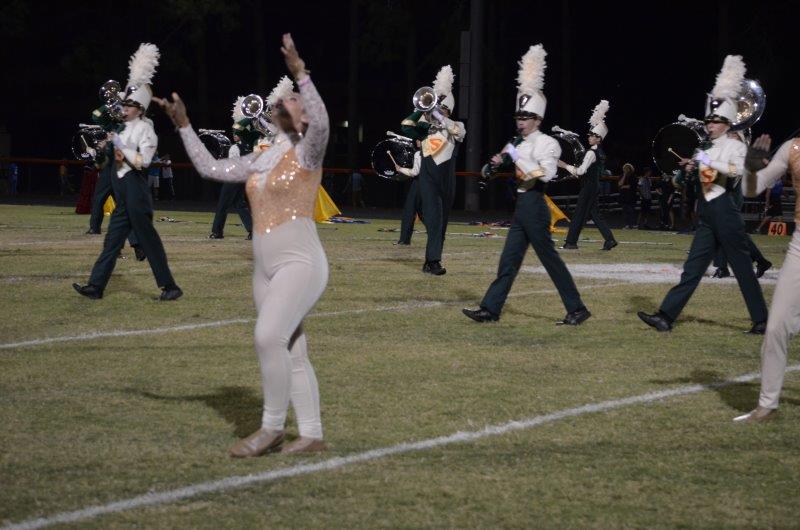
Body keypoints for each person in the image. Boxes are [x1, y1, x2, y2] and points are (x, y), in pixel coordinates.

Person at [156, 34, 329, 455]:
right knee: (291, 348)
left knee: (268, 336)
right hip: (264, 268)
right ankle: (312, 434)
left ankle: (271, 429)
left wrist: (301, 75)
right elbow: (210, 168)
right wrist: (184, 126)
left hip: (300, 262)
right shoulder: (262, 156)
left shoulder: (309, 150)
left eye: (293, 100)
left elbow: (322, 121)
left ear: (304, 115)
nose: (285, 100)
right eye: (283, 98)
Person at [638, 55, 767, 333]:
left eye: (716, 121)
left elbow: (734, 174)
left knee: (743, 269)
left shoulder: (735, 147)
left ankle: (762, 320)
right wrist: (686, 171)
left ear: (727, 122)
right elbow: (692, 182)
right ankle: (665, 316)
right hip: (707, 214)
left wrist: (705, 162)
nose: (710, 125)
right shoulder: (704, 149)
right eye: (709, 120)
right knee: (693, 268)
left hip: (726, 212)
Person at [462, 44, 590, 326]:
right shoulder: (516, 143)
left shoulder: (548, 143)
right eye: (518, 117)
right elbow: (489, 170)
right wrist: (493, 165)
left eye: (526, 118)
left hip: (535, 205)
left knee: (550, 261)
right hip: (522, 207)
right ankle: (490, 309)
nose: (520, 122)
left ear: (538, 119)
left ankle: (577, 308)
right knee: (508, 261)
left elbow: (544, 175)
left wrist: (517, 157)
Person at [73, 43, 182, 301]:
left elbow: (144, 162)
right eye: (125, 105)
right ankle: (96, 286)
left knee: (150, 244)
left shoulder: (147, 129)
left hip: (137, 193)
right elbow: (107, 153)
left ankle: (170, 287)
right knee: (111, 242)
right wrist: (101, 150)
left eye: (130, 105)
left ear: (140, 109)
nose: (124, 108)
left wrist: (120, 146)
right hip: (122, 193)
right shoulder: (121, 128)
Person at [735, 133, 800, 422]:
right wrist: (750, 169)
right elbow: (751, 189)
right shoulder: (792, 148)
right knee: (775, 327)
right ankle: (767, 405)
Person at [401, 65, 466, 275]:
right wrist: (423, 108)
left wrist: (440, 116)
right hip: (428, 180)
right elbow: (405, 125)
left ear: (448, 110)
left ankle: (430, 262)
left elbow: (458, 132)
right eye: (436, 106)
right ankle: (434, 261)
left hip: (447, 181)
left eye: (441, 107)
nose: (436, 110)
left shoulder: (457, 125)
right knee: (435, 220)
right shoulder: (424, 128)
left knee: (442, 224)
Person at [558, 99, 617, 251]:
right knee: (594, 214)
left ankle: (571, 242)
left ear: (599, 138)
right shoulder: (600, 152)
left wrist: (564, 165)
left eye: (592, 135)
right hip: (594, 185)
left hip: (589, 187)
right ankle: (610, 240)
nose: (589, 137)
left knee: (578, 214)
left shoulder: (591, 152)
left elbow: (581, 171)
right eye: (589, 134)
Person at [209, 95, 257, 240]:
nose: (234, 134)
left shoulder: (238, 145)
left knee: (222, 204)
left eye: (236, 133)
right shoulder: (251, 142)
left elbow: (233, 165)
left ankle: (217, 231)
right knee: (239, 204)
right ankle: (253, 231)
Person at [394, 141, 422, 245]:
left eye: (419, 139)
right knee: (424, 212)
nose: (417, 141)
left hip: (418, 184)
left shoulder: (419, 154)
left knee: (409, 211)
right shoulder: (435, 153)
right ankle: (437, 236)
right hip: (431, 184)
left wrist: (400, 169)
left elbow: (415, 172)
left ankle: (404, 240)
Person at [618, 162, 638, 228]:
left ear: (630, 169)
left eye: (627, 168)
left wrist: (624, 186)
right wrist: (624, 176)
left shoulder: (633, 176)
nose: (626, 169)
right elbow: (620, 184)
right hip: (624, 196)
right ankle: (627, 224)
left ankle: (633, 224)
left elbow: (632, 186)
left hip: (631, 197)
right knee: (625, 211)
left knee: (631, 211)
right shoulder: (621, 176)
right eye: (625, 168)